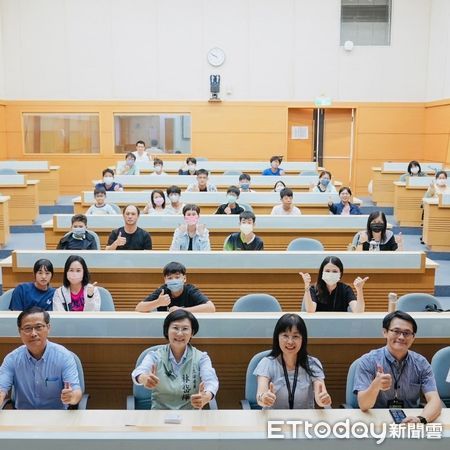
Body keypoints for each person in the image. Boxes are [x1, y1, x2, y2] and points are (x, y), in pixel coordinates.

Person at [353, 311, 442, 423]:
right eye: (396, 331)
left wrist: (421, 419)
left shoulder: (421, 363)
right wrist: (375, 386)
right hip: (376, 421)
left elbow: (434, 400)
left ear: (413, 337)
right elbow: (364, 405)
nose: (401, 337)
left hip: (410, 421)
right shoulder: (368, 361)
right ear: (385, 332)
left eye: (406, 333)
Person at [131, 309, 219, 409]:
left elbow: (211, 381)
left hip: (191, 419)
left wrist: (206, 397)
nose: (180, 333)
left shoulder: (202, 358)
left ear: (192, 333)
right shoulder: (155, 356)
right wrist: (144, 378)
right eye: (175, 328)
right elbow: (138, 372)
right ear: (167, 330)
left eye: (185, 329)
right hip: (159, 417)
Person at [0, 307, 82, 409]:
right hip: (24, 418)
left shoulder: (64, 357)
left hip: (56, 419)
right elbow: (1, 389)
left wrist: (71, 397)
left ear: (48, 328)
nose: (33, 333)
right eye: (28, 328)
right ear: (19, 332)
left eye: (38, 327)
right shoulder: (12, 359)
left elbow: (76, 391)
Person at [254, 314, 332, 409]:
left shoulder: (313, 364)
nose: (290, 341)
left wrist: (323, 400)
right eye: (285, 336)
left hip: (304, 421)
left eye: (295, 336)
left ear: (303, 339)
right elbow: (260, 396)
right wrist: (263, 398)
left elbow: (320, 396)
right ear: (277, 337)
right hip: (274, 420)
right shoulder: (267, 363)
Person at [135, 262, 215, 312]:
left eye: (177, 277)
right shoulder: (163, 290)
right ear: (165, 280)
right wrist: (158, 303)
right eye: (170, 278)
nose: (173, 280)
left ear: (184, 278)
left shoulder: (190, 290)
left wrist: (182, 310)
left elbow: (211, 307)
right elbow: (139, 308)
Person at [299, 256, 368, 313]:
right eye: (327, 271)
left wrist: (359, 290)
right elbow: (310, 310)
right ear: (322, 272)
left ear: (340, 273)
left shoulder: (346, 289)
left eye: (335, 271)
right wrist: (306, 287)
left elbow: (359, 311)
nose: (330, 274)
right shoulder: (313, 289)